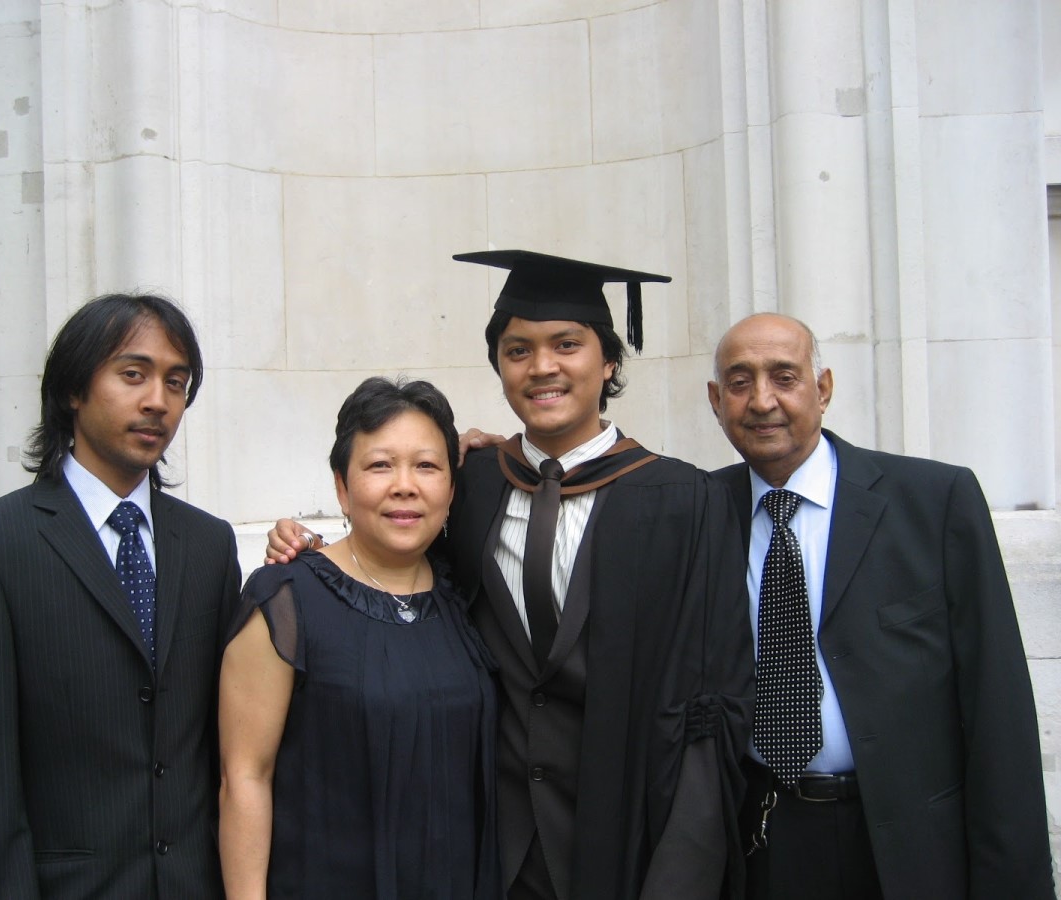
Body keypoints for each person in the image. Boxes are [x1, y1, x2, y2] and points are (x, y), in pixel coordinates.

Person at [269, 251, 755, 900]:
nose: (542, 366)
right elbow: (399, 580)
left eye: (567, 345)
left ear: (609, 362)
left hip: (628, 840)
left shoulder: (685, 502)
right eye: (518, 350)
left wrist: (682, 878)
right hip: (487, 849)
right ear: (499, 366)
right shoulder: (471, 486)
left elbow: (712, 709)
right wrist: (313, 551)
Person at [706, 312, 1054, 900]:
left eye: (785, 377)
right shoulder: (700, 511)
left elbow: (997, 704)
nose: (762, 401)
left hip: (910, 847)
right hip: (762, 840)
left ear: (823, 389)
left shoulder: (933, 501)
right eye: (739, 383)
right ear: (716, 401)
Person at [0, 293, 242, 899]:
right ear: (73, 388)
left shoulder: (209, 545)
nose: (158, 401)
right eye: (133, 374)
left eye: (176, 383)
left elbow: (228, 741)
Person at [219, 376, 500, 898]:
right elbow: (245, 778)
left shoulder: (465, 592)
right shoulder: (286, 599)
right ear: (342, 487)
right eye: (380, 465)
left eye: (426, 466)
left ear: (451, 489)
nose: (405, 485)